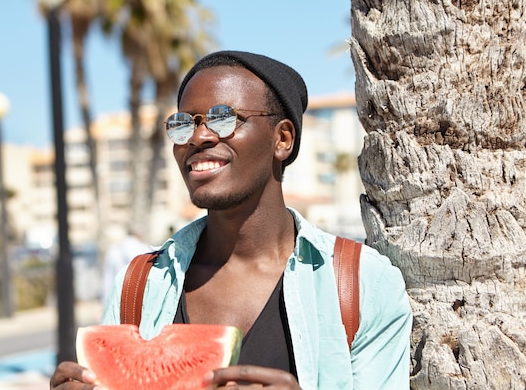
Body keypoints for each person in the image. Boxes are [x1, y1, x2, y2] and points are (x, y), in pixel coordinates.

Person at [50, 50, 412, 389]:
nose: (198, 136)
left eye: (223, 119)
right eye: (182, 124)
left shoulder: (361, 284)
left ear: (282, 138)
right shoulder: (139, 285)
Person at [101, 227, 151, 305]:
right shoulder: (146, 249)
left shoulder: (113, 250)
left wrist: (104, 303)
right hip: (138, 299)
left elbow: (107, 279)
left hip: (116, 297)